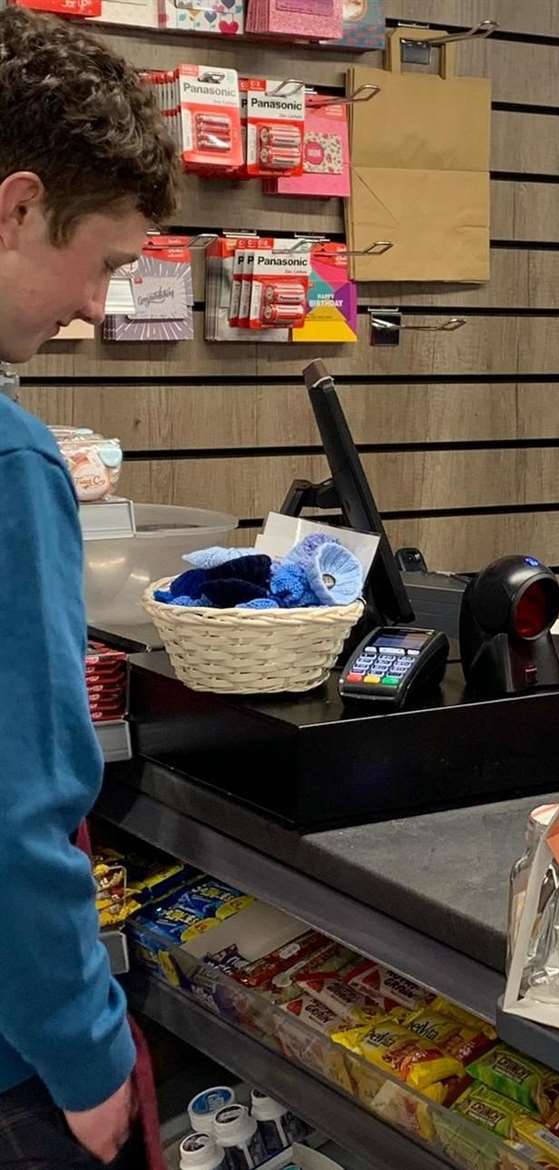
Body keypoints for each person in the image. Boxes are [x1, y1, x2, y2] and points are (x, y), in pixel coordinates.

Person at [0, 9, 177, 1167]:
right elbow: (15, 808)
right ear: (16, 209)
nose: (99, 308)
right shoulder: (12, 463)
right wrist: (86, 1051)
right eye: (106, 263)